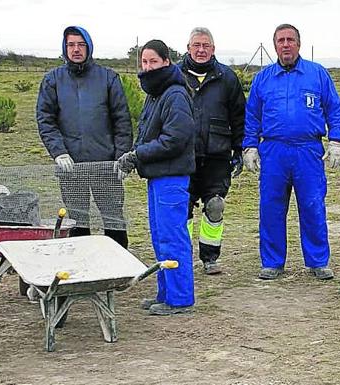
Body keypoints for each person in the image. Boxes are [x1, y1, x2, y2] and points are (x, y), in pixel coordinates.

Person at [243, 24, 340, 280]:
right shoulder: (263, 79)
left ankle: (318, 261)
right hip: (273, 151)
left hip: (308, 151)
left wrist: (336, 140)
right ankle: (272, 262)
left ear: (299, 44)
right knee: (271, 208)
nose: (286, 45)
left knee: (312, 205)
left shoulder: (317, 74)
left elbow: (334, 109)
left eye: (290, 40)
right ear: (274, 45)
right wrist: (250, 145)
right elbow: (252, 115)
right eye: (281, 40)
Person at [117, 39, 195, 316]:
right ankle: (166, 293)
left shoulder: (174, 94)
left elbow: (174, 139)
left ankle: (180, 299)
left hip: (172, 177)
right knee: (161, 237)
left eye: (153, 61)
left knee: (172, 237)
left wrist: (138, 155)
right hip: (158, 177)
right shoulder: (157, 94)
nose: (148, 67)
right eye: (144, 62)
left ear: (166, 62)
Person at [37, 26, 133, 248]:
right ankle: (82, 268)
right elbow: (46, 120)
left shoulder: (108, 78)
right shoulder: (53, 80)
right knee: (77, 218)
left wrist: (121, 157)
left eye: (81, 44)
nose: (76, 49)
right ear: (65, 48)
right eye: (71, 45)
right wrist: (58, 152)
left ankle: (118, 265)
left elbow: (122, 121)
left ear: (89, 47)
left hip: (106, 164)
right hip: (71, 166)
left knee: (113, 217)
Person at [179, 27, 246, 275]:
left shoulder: (227, 78)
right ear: (188, 48)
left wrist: (239, 149)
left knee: (215, 206)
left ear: (213, 49)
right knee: (182, 208)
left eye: (206, 45)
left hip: (217, 155)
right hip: (183, 156)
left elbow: (239, 116)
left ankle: (210, 257)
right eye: (196, 45)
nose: (201, 49)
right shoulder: (175, 75)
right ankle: (182, 256)